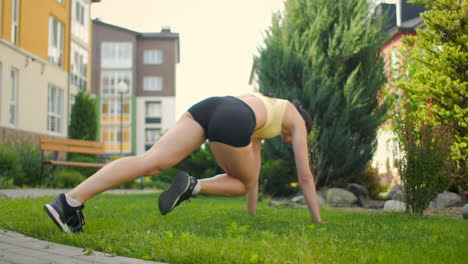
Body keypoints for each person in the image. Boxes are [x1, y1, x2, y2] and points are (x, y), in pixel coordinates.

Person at [44, 92, 323, 233]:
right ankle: (194, 186)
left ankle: (69, 202)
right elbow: (305, 175)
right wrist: (317, 221)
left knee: (150, 161)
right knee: (243, 183)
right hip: (235, 118)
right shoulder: (296, 119)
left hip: (212, 106)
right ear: (304, 124)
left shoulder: (268, 105)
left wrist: (252, 213)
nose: (292, 140)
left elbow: (255, 162)